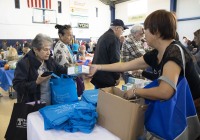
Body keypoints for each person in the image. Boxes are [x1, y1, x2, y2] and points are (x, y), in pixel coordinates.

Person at [89, 10, 200, 138]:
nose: (143, 33)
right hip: (179, 105)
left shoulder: (174, 51)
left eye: (145, 29)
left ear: (156, 31)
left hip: (191, 107)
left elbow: (165, 91)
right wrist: (98, 67)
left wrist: (136, 91)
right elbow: (125, 65)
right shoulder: (157, 52)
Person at [13, 33, 68, 104]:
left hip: (50, 102)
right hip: (33, 105)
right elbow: (17, 86)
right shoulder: (24, 63)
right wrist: (36, 82)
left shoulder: (50, 60)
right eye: (45, 50)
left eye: (49, 49)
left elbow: (62, 70)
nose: (49, 53)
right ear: (36, 50)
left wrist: (78, 70)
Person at [91, 19, 128, 88]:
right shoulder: (114, 38)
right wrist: (117, 76)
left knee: (98, 96)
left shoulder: (103, 36)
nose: (122, 32)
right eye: (122, 30)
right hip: (107, 76)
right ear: (117, 28)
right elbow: (115, 59)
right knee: (106, 98)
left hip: (98, 74)